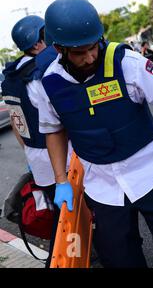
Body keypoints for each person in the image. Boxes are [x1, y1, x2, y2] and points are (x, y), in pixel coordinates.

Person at [34, 0, 153, 268]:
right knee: (119, 259)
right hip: (101, 183)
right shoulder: (50, 83)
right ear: (59, 48)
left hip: (149, 171)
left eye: (93, 47)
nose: (90, 56)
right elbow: (54, 131)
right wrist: (61, 181)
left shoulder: (128, 63)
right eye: (80, 52)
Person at [1, 15, 70, 267]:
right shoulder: (43, 71)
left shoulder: (11, 76)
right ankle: (65, 257)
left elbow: (17, 123)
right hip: (61, 153)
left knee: (60, 213)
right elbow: (61, 118)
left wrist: (31, 155)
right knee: (77, 211)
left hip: (36, 154)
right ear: (37, 41)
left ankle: (62, 256)